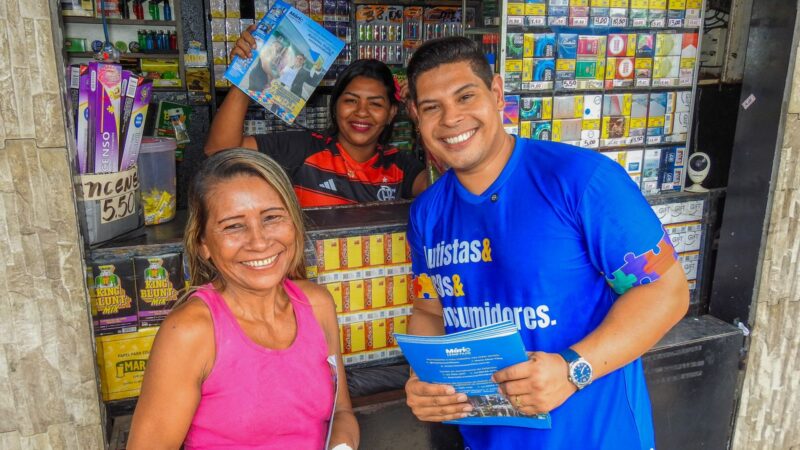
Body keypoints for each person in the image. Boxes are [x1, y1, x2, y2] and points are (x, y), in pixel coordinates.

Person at [403, 37, 689, 449]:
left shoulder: (580, 180)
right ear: (416, 115)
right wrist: (423, 379)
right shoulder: (427, 213)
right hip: (487, 439)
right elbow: (430, 310)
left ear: (497, 93)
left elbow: (667, 291)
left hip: (594, 437)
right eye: (432, 107)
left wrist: (575, 369)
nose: (451, 118)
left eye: (466, 96)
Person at [127, 150, 359, 449]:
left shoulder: (316, 304)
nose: (259, 241)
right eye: (234, 225)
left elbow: (341, 413)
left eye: (272, 217)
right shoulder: (191, 331)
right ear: (203, 244)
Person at [206, 25, 427, 208]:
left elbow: (449, 190)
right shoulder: (303, 148)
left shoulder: (400, 164)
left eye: (376, 104)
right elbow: (219, 151)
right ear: (335, 106)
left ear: (391, 113)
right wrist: (246, 76)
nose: (361, 111)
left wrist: (425, 115)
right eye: (350, 100)